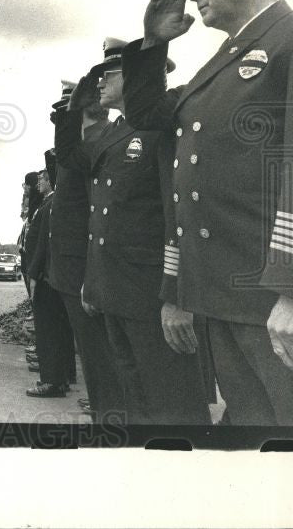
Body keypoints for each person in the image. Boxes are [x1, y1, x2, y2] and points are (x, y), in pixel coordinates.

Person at [121, 0, 293, 425]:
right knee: (250, 427)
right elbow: (147, 114)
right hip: (219, 294)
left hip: (271, 297)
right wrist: (153, 43)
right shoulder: (220, 63)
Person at [59, 39, 210, 424]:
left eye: (108, 74)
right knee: (137, 402)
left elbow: (181, 213)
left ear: (138, 77)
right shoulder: (113, 134)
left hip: (153, 295)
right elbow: (72, 159)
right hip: (116, 292)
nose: (99, 82)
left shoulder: (165, 125)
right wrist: (74, 108)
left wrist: (177, 297)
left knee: (174, 407)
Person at [50, 86, 127, 421]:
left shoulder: (92, 147)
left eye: (64, 113)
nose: (59, 120)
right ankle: (105, 413)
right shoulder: (84, 146)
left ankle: (110, 421)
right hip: (73, 270)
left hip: (83, 270)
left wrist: (89, 277)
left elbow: (96, 215)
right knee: (95, 360)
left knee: (100, 359)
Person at [24, 166, 78, 398]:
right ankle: (61, 377)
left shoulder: (51, 204)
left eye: (43, 179)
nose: (39, 183)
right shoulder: (50, 203)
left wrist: (34, 274)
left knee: (48, 331)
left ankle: (52, 381)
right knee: (57, 330)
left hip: (45, 276)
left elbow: (44, 243)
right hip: (48, 274)